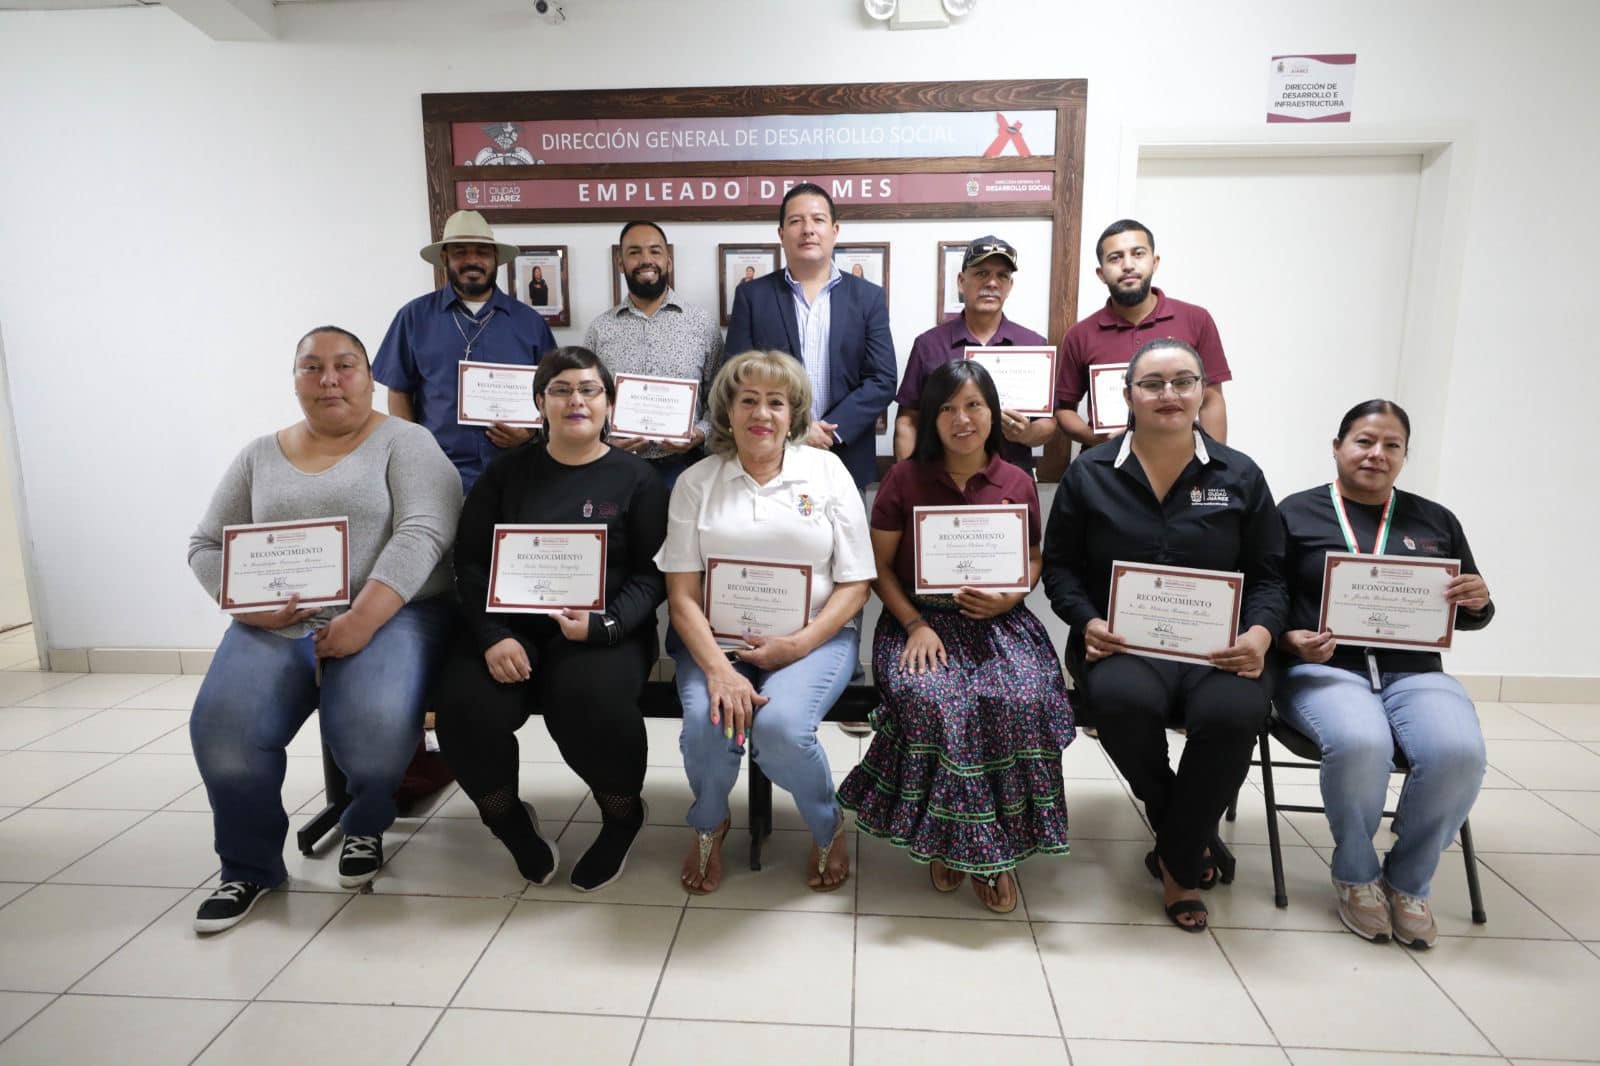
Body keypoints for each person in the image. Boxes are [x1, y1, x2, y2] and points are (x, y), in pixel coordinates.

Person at [186, 326, 461, 932]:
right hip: (277, 625)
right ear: (295, 380)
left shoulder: (407, 442)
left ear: (370, 377)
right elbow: (206, 545)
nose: (329, 380)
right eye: (312, 367)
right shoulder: (259, 455)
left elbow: (425, 531)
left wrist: (362, 619)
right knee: (224, 734)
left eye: (345, 365)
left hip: (390, 614)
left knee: (373, 730)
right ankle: (249, 867)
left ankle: (365, 824)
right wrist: (247, 607)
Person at [1041, 337, 1286, 932]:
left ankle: (1176, 852)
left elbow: (1271, 575)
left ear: (1203, 392)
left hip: (1220, 648)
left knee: (1234, 715)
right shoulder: (1090, 474)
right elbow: (1060, 570)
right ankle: (1184, 829)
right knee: (1121, 703)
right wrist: (1087, 621)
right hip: (1118, 644)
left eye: (1183, 381)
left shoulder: (1240, 475)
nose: (1168, 394)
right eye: (1152, 384)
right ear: (1127, 396)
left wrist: (1259, 635)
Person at [837, 360, 1074, 913]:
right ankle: (965, 845)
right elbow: (878, 569)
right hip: (919, 621)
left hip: (999, 621)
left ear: (993, 413)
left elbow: (1033, 557)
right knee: (936, 702)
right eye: (946, 408)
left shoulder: (1017, 480)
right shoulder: (904, 479)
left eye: (973, 406)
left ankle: (976, 841)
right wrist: (914, 624)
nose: (961, 419)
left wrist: (1010, 597)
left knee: (1021, 699)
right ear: (929, 418)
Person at [432, 347, 666, 892]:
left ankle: (622, 816)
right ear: (540, 402)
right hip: (509, 630)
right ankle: (508, 822)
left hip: (603, 631)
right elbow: (469, 562)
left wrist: (605, 625)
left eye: (589, 389)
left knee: (589, 701)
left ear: (609, 403)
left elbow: (653, 574)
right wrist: (493, 636)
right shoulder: (505, 473)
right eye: (561, 390)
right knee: (464, 709)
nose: (575, 400)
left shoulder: (638, 479)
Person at [1276, 399, 1493, 948]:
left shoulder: (1436, 520)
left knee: (1458, 751)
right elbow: (1265, 596)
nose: (1377, 454)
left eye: (1391, 445)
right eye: (1364, 441)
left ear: (1404, 455)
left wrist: (1478, 601)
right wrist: (1289, 639)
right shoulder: (1295, 513)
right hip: (1325, 669)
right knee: (1360, 742)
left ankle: (1408, 880)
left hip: (1414, 671)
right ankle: (1355, 874)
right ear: (1337, 447)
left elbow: (1470, 612)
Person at [656, 350, 875, 894]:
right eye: (748, 400)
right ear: (727, 411)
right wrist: (719, 671)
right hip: (716, 640)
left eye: (776, 402)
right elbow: (681, 596)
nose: (761, 413)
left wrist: (798, 644)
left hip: (815, 636)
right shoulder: (696, 482)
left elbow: (856, 583)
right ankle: (709, 821)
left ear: (793, 413)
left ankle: (826, 821)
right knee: (708, 727)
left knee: (780, 730)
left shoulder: (827, 472)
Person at [725, 183, 896, 491]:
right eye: (796, 221)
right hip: (771, 454)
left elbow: (882, 379)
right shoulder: (752, 296)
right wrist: (798, 429)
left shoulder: (868, 297)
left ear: (834, 230)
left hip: (845, 453)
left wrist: (831, 431)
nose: (808, 230)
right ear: (781, 234)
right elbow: (736, 377)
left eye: (818, 220)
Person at [374, 209, 557, 492]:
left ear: (495, 258)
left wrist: (531, 433)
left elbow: (553, 392)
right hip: (437, 474)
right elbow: (398, 391)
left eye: (482, 252)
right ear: (445, 258)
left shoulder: (530, 323)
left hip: (516, 473)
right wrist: (414, 452)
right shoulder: (413, 317)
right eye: (460, 252)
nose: (472, 261)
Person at [1054, 219, 1232, 449]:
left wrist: (1214, 462)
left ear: (1154, 262)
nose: (1128, 265)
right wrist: (1097, 440)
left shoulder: (1196, 319)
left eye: (1138, 254)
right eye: (1115, 258)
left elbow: (1211, 399)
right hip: (1106, 465)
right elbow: (1064, 410)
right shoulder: (1080, 334)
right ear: (1101, 273)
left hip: (1181, 458)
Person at [894, 235, 1056, 474]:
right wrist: (908, 481)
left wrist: (1028, 434)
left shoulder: (1033, 345)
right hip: (940, 479)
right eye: (981, 273)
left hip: (1010, 481)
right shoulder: (929, 345)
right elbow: (908, 420)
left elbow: (1049, 422)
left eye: (1002, 276)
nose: (992, 283)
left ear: (1010, 286)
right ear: (961, 281)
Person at [584, 220, 724, 488]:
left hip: (686, 468)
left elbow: (719, 398)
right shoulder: (600, 329)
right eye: (634, 252)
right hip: (616, 466)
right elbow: (588, 398)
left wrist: (700, 433)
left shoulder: (702, 325)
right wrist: (604, 439)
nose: (646, 259)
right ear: (620, 263)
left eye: (655, 251)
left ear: (668, 261)